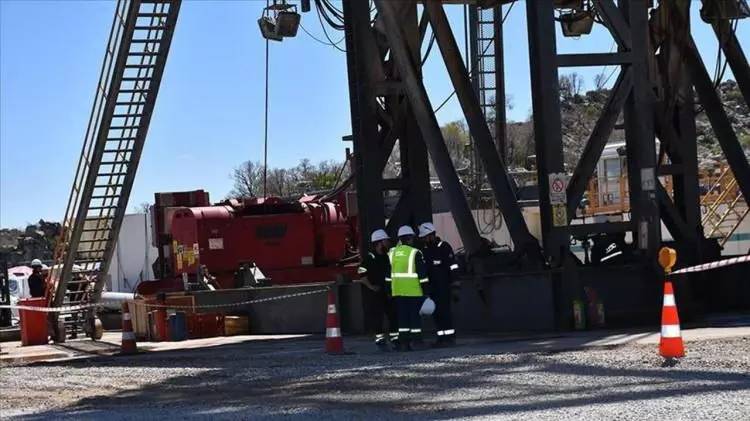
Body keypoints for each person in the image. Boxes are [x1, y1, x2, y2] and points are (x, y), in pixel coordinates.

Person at [388, 225, 429, 351]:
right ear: (410, 238)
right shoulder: (415, 253)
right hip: (413, 291)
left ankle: (404, 343)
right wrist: (426, 292)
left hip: (398, 292)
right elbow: (422, 275)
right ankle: (416, 342)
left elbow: (388, 274)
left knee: (402, 319)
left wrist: (389, 290)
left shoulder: (392, 253)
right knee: (414, 318)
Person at [419, 222, 459, 347]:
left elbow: (453, 267)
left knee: (445, 313)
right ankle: (441, 338)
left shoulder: (444, 247)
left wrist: (456, 285)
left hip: (444, 287)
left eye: (425, 237)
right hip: (432, 289)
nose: (424, 240)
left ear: (431, 235)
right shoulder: (424, 250)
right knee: (436, 314)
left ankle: (449, 338)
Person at [356, 229, 398, 351]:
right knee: (377, 318)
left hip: (387, 292)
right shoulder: (370, 258)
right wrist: (371, 287)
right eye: (385, 241)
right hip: (375, 294)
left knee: (393, 316)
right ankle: (380, 341)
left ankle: (395, 339)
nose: (388, 243)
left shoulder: (387, 257)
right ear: (379, 242)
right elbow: (361, 275)